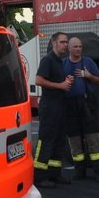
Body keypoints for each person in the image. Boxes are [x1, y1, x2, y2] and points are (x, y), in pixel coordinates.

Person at [63, 36, 99, 182]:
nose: (78, 49)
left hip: (87, 105)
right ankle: (79, 172)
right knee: (75, 141)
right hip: (70, 106)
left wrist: (89, 76)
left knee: (93, 139)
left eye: (80, 47)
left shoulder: (88, 62)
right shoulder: (63, 64)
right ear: (69, 48)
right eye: (75, 47)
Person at [32, 31, 72, 188]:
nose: (65, 45)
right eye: (62, 42)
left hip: (60, 107)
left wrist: (66, 81)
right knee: (46, 141)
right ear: (54, 43)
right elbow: (39, 80)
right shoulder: (48, 60)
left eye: (66, 42)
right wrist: (60, 85)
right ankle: (40, 176)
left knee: (59, 141)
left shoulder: (60, 61)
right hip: (50, 108)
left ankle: (55, 174)